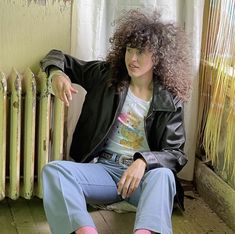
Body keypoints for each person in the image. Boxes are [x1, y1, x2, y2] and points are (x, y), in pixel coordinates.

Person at [40, 9, 191, 234]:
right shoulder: (105, 76)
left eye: (141, 52)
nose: (132, 58)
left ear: (157, 57)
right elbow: (57, 56)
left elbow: (176, 154)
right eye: (129, 50)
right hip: (105, 171)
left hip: (145, 178)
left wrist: (143, 162)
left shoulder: (169, 98)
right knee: (54, 171)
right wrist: (57, 74)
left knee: (164, 176)